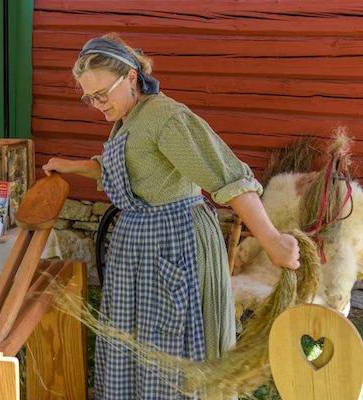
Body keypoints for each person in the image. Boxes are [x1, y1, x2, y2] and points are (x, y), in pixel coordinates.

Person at [42, 34, 300, 399]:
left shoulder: (167, 118)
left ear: (131, 77)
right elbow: (133, 169)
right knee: (138, 343)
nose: (97, 104)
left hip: (173, 243)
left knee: (169, 344)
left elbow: (228, 177)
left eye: (102, 94)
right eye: (89, 97)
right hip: (142, 247)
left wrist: (272, 243)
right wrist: (72, 166)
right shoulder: (131, 116)